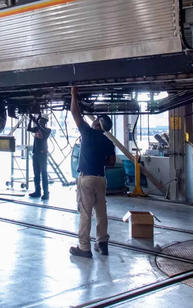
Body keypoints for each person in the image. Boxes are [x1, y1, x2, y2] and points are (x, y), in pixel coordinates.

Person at [69, 86, 116, 258]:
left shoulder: (87, 133)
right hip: (101, 179)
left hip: (86, 179)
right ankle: (102, 243)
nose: (94, 120)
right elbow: (111, 162)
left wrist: (74, 95)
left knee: (85, 213)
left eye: (96, 119)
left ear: (97, 124)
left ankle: (84, 248)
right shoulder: (108, 142)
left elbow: (75, 113)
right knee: (101, 212)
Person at [27, 115, 52, 200]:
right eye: (40, 120)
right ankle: (37, 191)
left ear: (45, 122)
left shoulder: (47, 130)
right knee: (36, 174)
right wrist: (31, 120)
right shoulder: (37, 128)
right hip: (36, 154)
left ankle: (46, 193)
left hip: (42, 154)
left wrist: (36, 121)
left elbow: (42, 130)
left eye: (42, 120)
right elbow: (29, 129)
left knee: (44, 174)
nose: (41, 121)